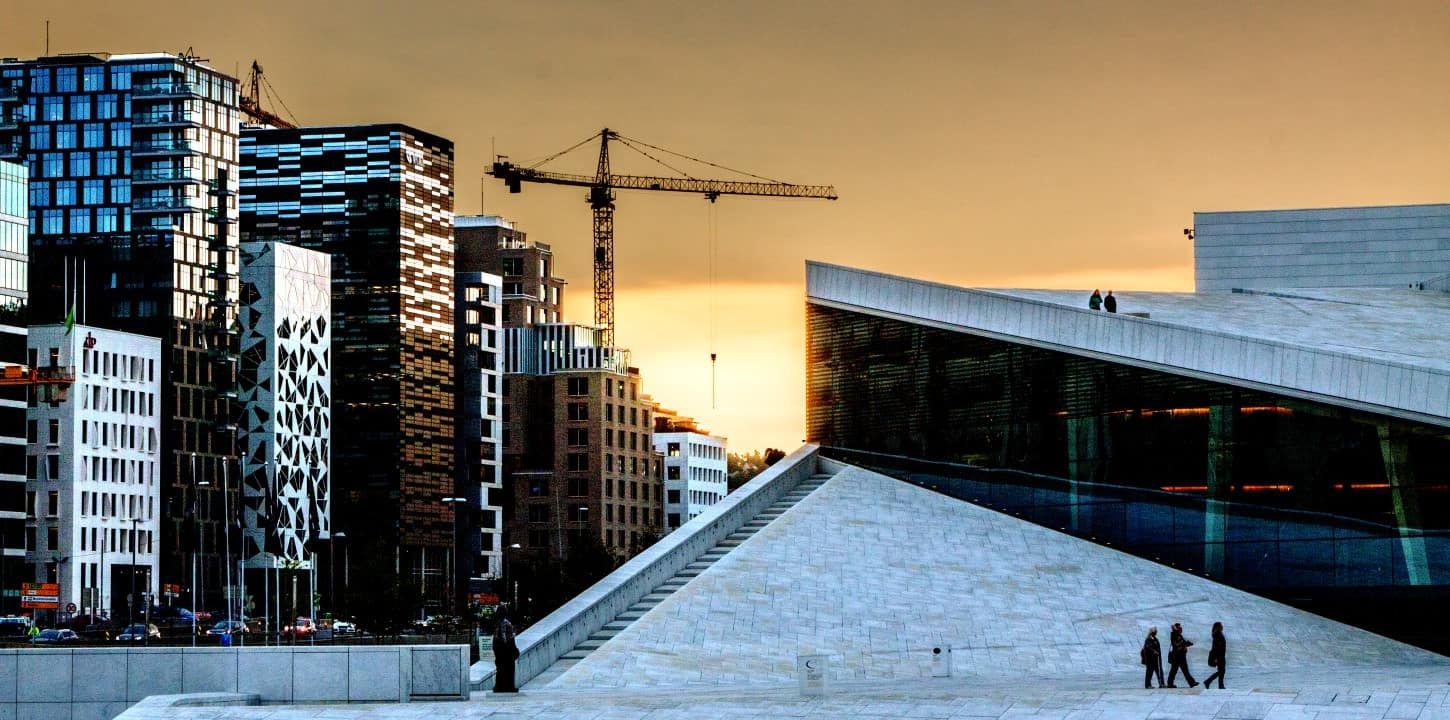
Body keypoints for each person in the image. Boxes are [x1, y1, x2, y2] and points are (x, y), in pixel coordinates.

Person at [492, 605, 519, 693]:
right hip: (507, 650)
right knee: (509, 669)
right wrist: (514, 649)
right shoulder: (506, 623)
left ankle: (499, 687)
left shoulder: (496, 623)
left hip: (498, 650)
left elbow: (496, 638)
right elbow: (507, 638)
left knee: (500, 668)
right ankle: (509, 687)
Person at [1166, 622, 1198, 688]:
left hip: (1181, 655)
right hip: (1177, 656)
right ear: (1177, 629)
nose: (1181, 629)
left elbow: (1183, 643)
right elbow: (1175, 645)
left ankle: (1191, 682)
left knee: (1184, 670)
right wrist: (1183, 644)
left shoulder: (1179, 635)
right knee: (1174, 670)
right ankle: (1170, 683)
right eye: (1180, 628)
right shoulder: (1174, 635)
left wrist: (1187, 644)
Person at [1203, 622, 1226, 689]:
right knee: (1222, 671)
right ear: (1218, 627)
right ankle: (1208, 681)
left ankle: (1220, 685)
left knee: (1221, 671)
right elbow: (1216, 646)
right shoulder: (1217, 634)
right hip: (1219, 655)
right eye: (1221, 626)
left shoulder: (1218, 634)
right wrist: (1216, 657)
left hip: (1221, 655)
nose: (1222, 627)